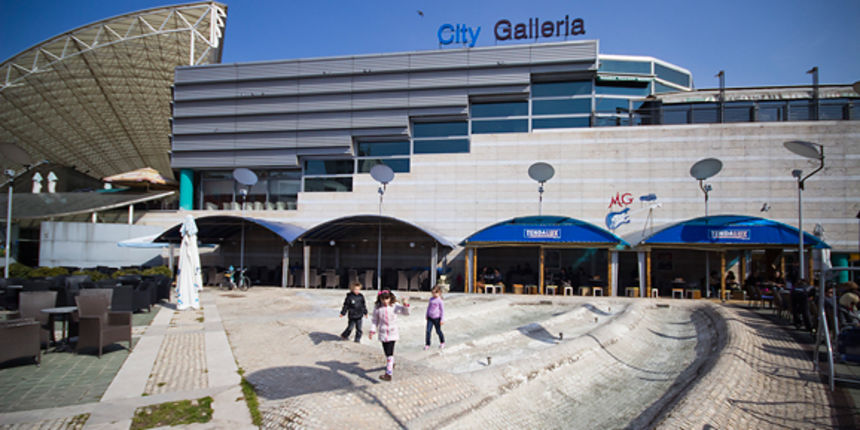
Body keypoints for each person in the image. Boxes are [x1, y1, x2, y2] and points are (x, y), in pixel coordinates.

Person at [369, 290, 410, 381]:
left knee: (389, 353)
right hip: (383, 333)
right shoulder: (378, 308)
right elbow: (375, 320)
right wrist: (372, 330)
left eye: (387, 299)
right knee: (386, 352)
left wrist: (406, 305)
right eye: (383, 299)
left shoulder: (394, 306)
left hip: (392, 332)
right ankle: (391, 363)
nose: (385, 301)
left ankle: (388, 373)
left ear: (390, 298)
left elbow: (406, 313)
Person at [425, 285, 446, 350]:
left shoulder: (440, 301)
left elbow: (442, 311)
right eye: (433, 293)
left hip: (437, 318)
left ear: (439, 292)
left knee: (438, 331)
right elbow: (429, 307)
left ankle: (442, 342)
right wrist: (427, 315)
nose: (434, 294)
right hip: (430, 318)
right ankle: (427, 344)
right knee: (428, 331)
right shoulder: (431, 299)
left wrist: (442, 319)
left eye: (435, 293)